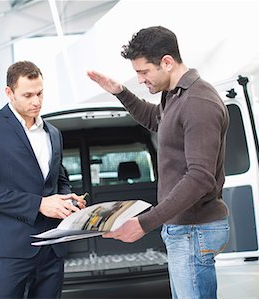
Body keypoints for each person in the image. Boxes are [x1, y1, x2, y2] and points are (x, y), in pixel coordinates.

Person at [87, 26, 230, 299]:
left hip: (193, 229)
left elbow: (200, 177)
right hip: (184, 229)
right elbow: (156, 119)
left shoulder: (198, 101)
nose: (140, 80)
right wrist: (120, 92)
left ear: (167, 62)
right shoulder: (175, 95)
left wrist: (145, 222)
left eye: (143, 72)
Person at [0, 60, 86, 298]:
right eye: (28, 95)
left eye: (40, 93)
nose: (36, 101)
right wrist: (40, 204)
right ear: (9, 93)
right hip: (10, 251)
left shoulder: (53, 133)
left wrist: (68, 200)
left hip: (52, 250)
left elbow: (59, 179)